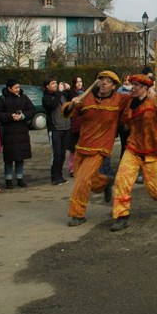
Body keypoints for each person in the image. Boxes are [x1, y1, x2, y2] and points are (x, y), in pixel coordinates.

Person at [63, 71, 131, 227]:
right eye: (102, 80)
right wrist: (72, 104)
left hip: (101, 147)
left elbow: (135, 100)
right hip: (82, 145)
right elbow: (69, 113)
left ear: (114, 86)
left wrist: (153, 93)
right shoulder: (87, 97)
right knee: (81, 178)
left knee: (82, 180)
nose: (104, 83)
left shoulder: (119, 99)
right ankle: (105, 182)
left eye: (108, 81)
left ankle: (78, 214)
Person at [110, 74, 157, 232]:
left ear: (145, 88)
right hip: (133, 148)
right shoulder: (128, 102)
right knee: (121, 180)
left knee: (153, 189)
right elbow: (121, 116)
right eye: (132, 84)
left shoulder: (155, 101)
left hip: (153, 150)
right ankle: (121, 216)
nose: (132, 87)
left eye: (136, 85)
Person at [0, 78, 35, 188]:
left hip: (22, 132)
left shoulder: (24, 97)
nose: (18, 89)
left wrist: (23, 116)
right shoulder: (2, 99)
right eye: (15, 88)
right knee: (9, 158)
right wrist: (10, 116)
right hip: (8, 132)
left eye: (18, 87)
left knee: (20, 157)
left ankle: (20, 178)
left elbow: (32, 110)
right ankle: (8, 180)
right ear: (9, 88)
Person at [42, 77, 71, 185]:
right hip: (55, 128)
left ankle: (60, 175)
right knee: (56, 154)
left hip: (65, 127)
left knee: (63, 154)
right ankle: (54, 177)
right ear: (47, 86)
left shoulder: (62, 95)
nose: (55, 85)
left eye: (56, 83)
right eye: (53, 83)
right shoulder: (46, 97)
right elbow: (53, 105)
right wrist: (60, 92)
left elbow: (69, 105)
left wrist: (68, 91)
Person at [67, 76, 85, 178]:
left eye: (80, 81)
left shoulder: (85, 92)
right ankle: (72, 168)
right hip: (75, 124)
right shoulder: (72, 94)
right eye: (77, 82)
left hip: (84, 124)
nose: (79, 83)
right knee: (73, 148)